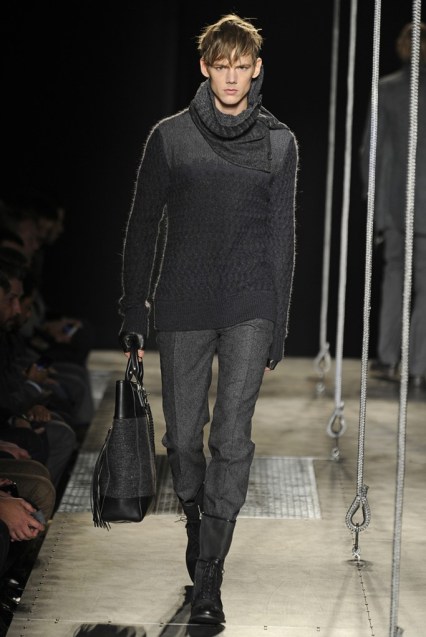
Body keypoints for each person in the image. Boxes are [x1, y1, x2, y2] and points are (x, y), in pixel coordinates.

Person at [119, 14, 298, 625]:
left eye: (241, 66)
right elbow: (143, 226)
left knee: (231, 437)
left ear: (257, 68)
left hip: (250, 304)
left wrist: (278, 321)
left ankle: (210, 575)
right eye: (221, 66)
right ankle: (198, 524)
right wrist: (133, 306)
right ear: (205, 67)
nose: (231, 77)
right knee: (180, 438)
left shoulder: (280, 143)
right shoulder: (169, 138)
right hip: (184, 303)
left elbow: (282, 239)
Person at [360, 22, 426, 386]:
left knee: (395, 277)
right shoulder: (386, 90)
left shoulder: (387, 90)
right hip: (412, 204)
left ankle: (388, 360)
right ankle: (417, 366)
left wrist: (376, 203)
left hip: (397, 202)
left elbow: (370, 152)